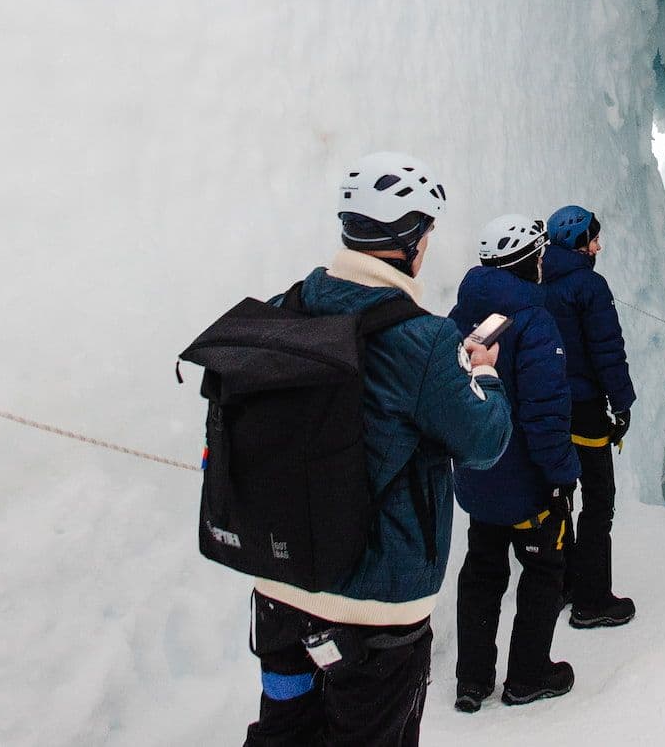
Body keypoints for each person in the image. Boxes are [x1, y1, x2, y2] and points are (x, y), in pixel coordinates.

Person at [245, 153, 512, 747]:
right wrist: (484, 374)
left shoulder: (290, 306)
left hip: (281, 592)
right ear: (411, 238)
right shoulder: (423, 340)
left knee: (282, 735)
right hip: (373, 613)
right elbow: (485, 442)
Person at [448, 214, 581, 712]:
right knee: (545, 568)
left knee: (482, 570)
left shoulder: (459, 316)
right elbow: (546, 413)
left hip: (479, 476)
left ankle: (472, 679)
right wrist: (562, 477)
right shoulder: (534, 322)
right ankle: (528, 675)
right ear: (527, 262)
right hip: (527, 483)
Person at [538, 204, 638, 628]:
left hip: (550, 408)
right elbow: (606, 351)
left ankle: (563, 582)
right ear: (579, 242)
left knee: (560, 495)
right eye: (593, 238)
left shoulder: (537, 281)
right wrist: (622, 402)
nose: (598, 245)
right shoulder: (589, 286)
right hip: (586, 409)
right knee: (599, 499)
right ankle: (592, 599)